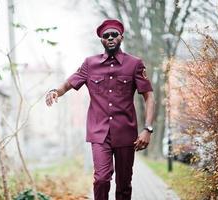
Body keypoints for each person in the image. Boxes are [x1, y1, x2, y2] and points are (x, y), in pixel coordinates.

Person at [45, 19, 155, 200]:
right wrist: (55, 91)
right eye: (106, 36)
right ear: (101, 40)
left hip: (126, 133)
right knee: (102, 179)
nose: (110, 38)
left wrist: (148, 129)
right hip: (99, 133)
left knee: (124, 184)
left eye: (114, 35)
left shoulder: (134, 64)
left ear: (121, 37)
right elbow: (69, 83)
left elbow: (149, 96)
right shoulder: (90, 64)